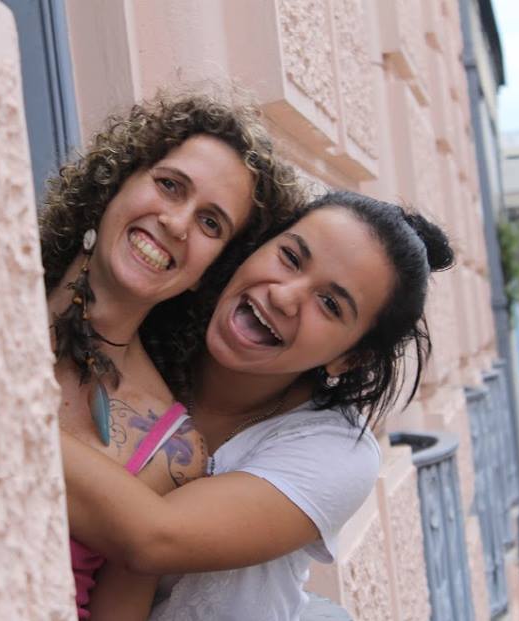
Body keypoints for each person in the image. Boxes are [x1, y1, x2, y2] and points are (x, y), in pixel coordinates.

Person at [60, 191, 455, 620]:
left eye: (330, 304)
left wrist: (17, 417)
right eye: (290, 257)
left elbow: (153, 539)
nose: (285, 296)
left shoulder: (337, 454)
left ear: (350, 358)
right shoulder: (144, 334)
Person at [39, 92, 301, 618]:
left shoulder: (171, 451)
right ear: (115, 181)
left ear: (211, 271)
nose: (178, 223)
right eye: (170, 185)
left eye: (211, 223)